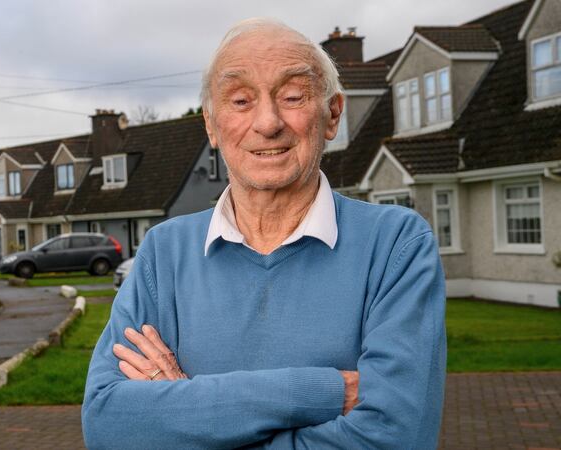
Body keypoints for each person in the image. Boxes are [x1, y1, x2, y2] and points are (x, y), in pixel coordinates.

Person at [82, 18, 446, 449]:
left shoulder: (396, 246)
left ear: (332, 115)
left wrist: (180, 408)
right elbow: (109, 425)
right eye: (240, 100)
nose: (268, 122)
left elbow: (394, 437)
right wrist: (317, 391)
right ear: (212, 127)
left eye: (293, 96)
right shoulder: (163, 253)